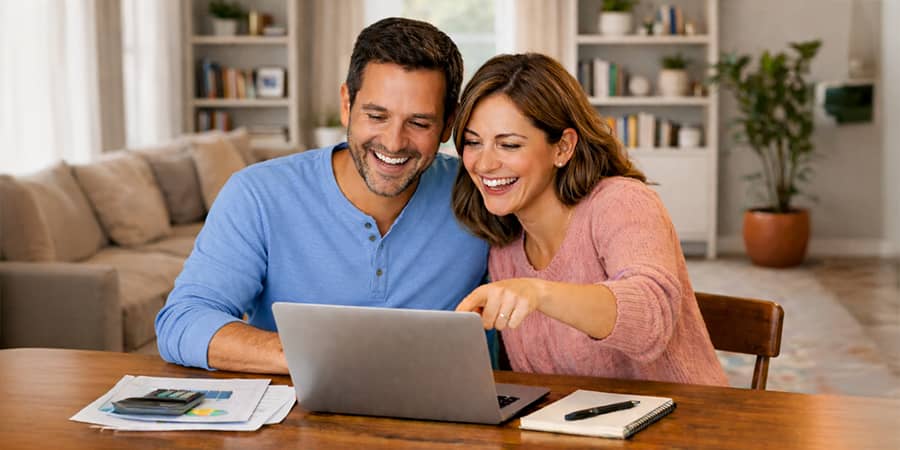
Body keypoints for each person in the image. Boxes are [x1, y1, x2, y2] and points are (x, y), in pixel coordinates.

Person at [155, 18, 488, 374]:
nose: (393, 142)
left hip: (438, 418)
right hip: (297, 414)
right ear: (347, 103)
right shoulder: (257, 194)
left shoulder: (480, 193)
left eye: (419, 123)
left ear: (448, 124)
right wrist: (320, 356)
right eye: (376, 116)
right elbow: (183, 322)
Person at [452, 53, 727, 386]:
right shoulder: (505, 248)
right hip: (575, 432)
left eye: (508, 144)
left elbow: (651, 319)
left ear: (563, 147)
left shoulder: (621, 203)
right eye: (472, 142)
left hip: (683, 426)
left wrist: (538, 293)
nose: (483, 164)